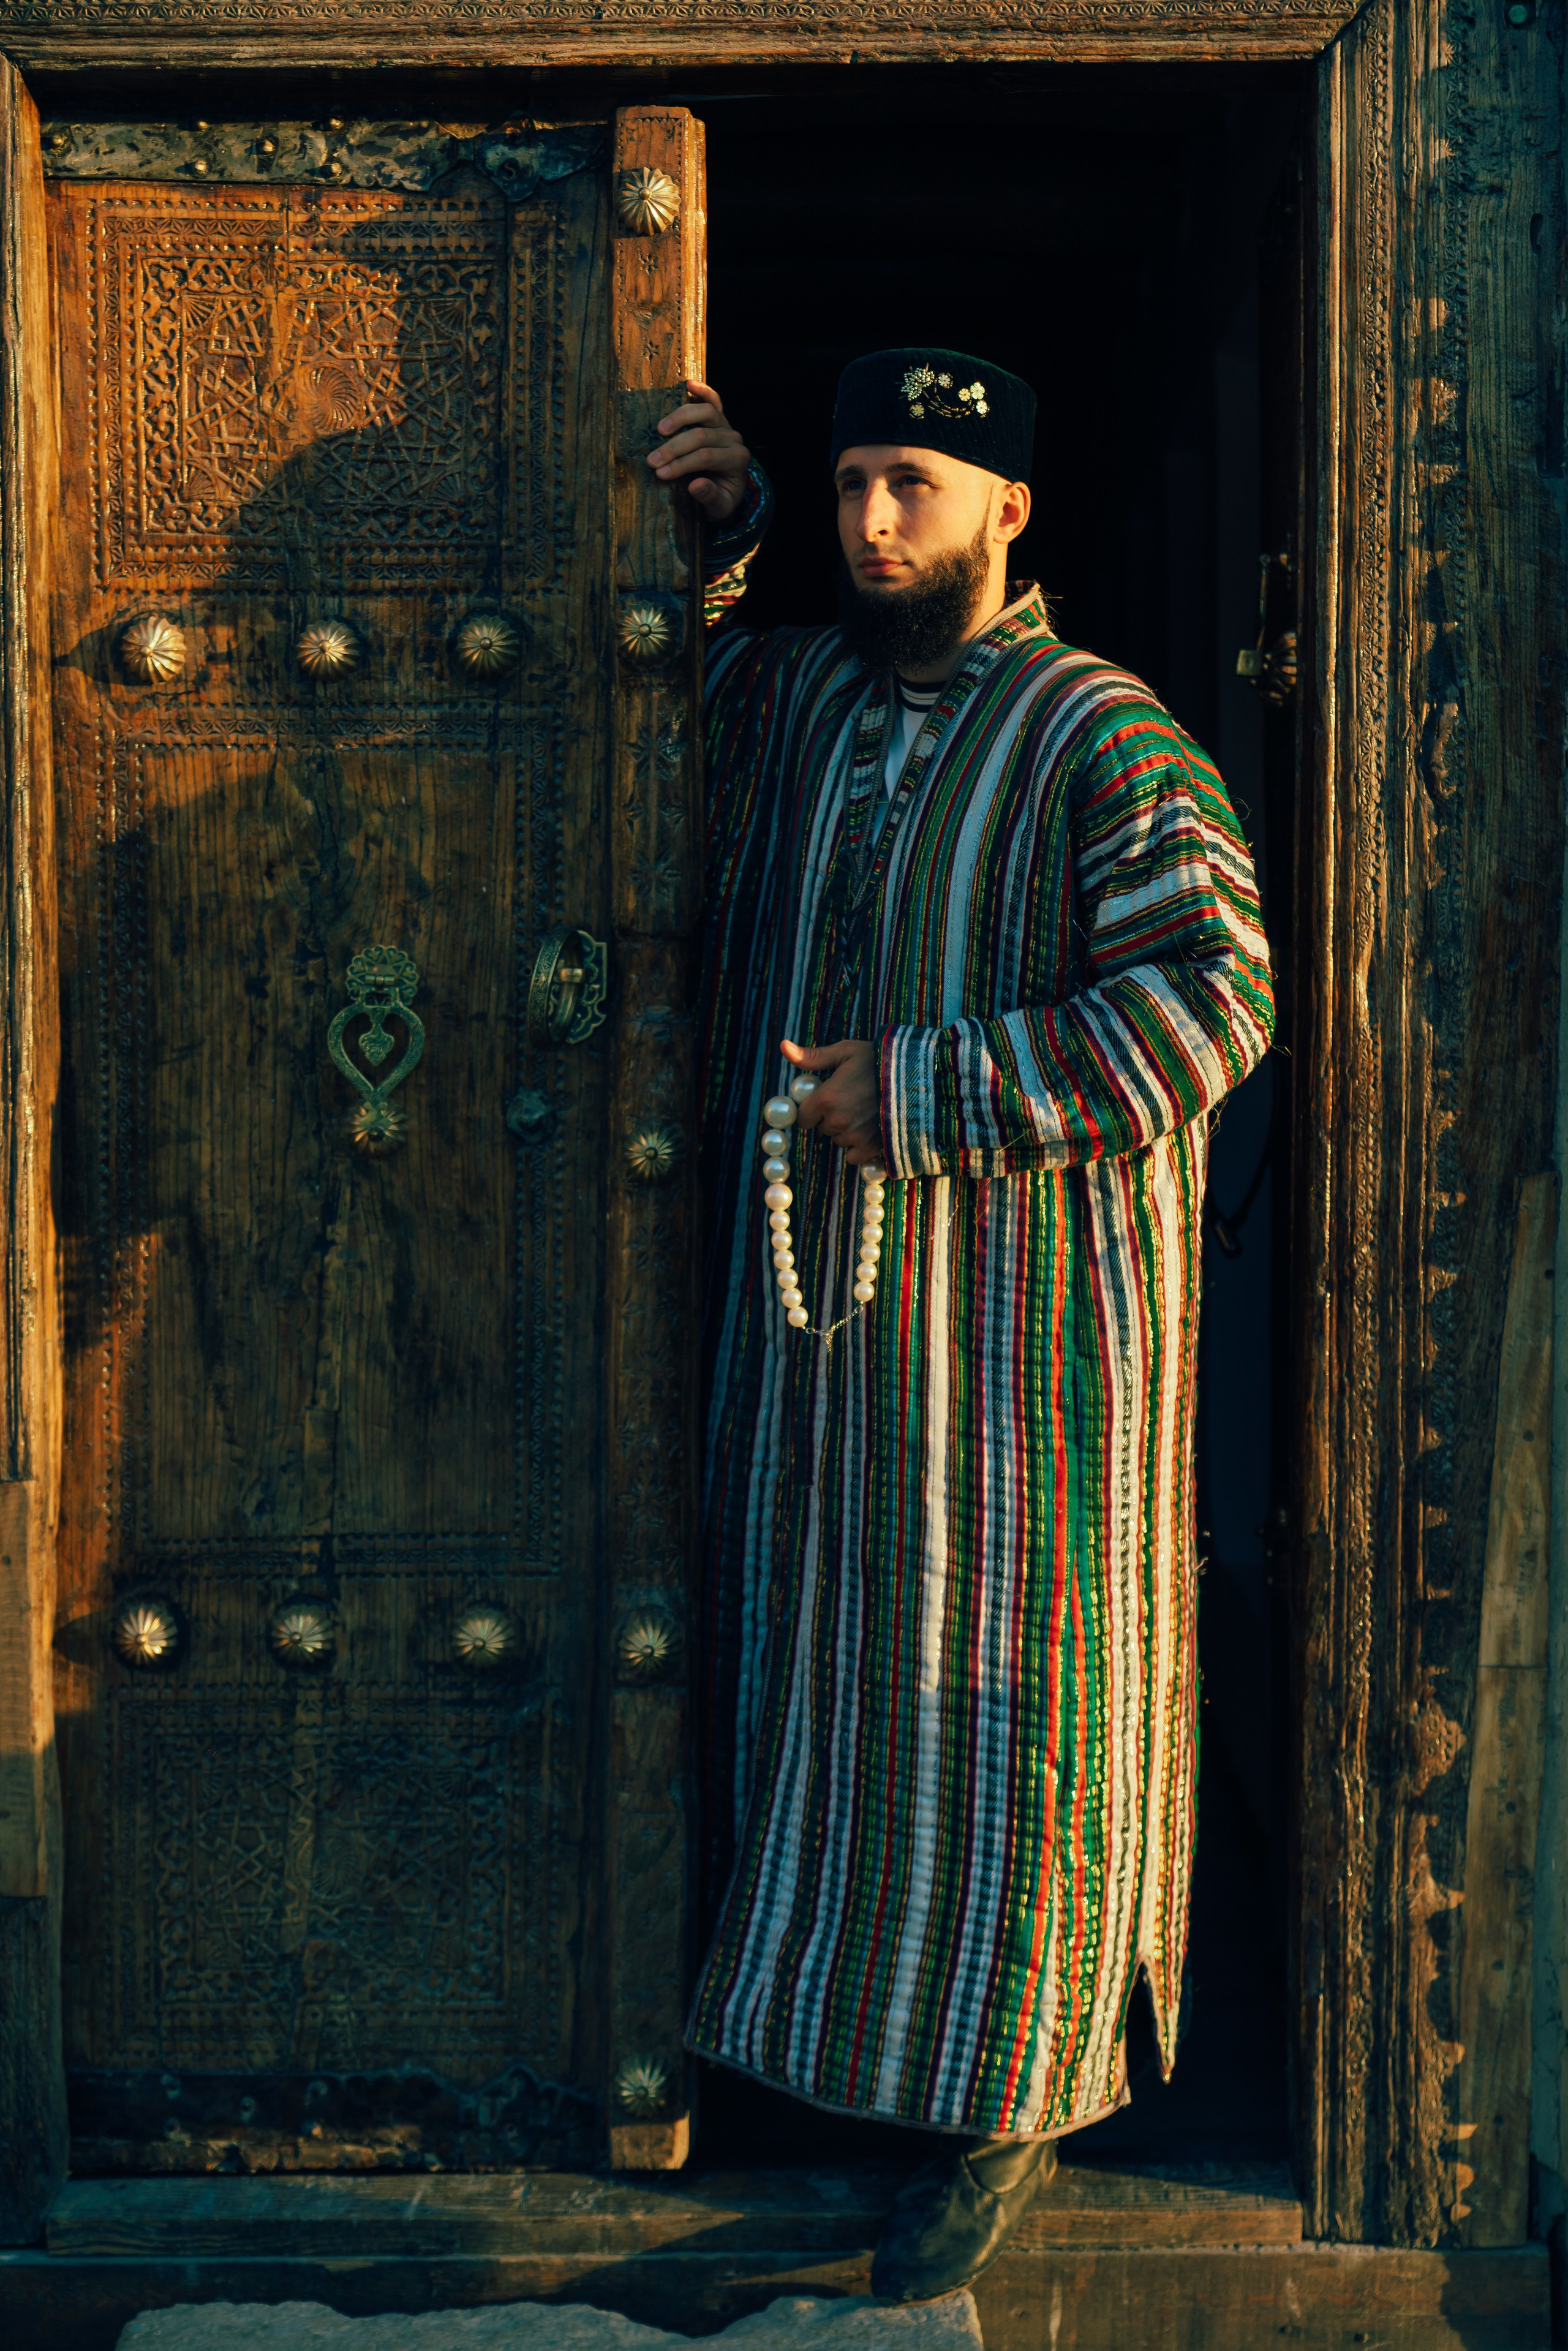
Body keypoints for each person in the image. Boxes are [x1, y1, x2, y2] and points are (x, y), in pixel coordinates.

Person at [646, 352, 1275, 2303]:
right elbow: (696, 706)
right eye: (847, 484)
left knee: (1015, 1716)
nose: (871, 521)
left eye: (910, 482)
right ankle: (839, 2081)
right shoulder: (825, 698)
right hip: (839, 1357)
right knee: (837, 1698)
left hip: (1028, 1361)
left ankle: (1019, 2110)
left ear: (1009, 509)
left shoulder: (1109, 738)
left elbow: (1213, 1000)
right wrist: (728, 527)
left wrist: (921, 1091)